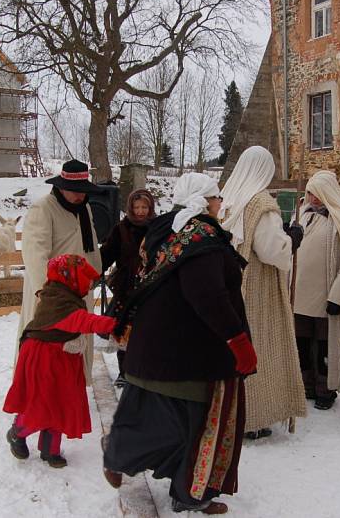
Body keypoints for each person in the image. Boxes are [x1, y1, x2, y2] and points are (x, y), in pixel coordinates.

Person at [104, 173, 254, 515]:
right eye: (216, 198)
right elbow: (208, 296)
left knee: (163, 418)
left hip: (161, 347)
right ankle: (172, 483)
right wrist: (237, 339)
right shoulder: (200, 239)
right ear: (203, 201)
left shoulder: (172, 230)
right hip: (188, 351)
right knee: (190, 426)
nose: (220, 203)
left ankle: (133, 462)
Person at [219, 145, 307, 440]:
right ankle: (253, 417)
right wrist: (292, 238)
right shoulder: (261, 202)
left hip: (230, 282)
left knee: (235, 348)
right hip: (257, 287)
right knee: (259, 346)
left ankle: (231, 412)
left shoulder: (228, 199)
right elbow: (272, 250)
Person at [4, 254, 116, 467]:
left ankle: (49, 450)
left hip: (63, 359)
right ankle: (18, 432)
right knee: (43, 403)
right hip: (44, 360)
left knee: (60, 402)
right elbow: (80, 321)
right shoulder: (58, 302)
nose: (88, 285)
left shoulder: (65, 295)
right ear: (71, 278)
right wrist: (112, 324)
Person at [17, 159, 102, 377]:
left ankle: (71, 389)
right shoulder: (43, 208)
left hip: (79, 289)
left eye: (82, 190)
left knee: (76, 343)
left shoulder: (85, 209)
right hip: (50, 292)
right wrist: (43, 292)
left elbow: (90, 245)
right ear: (61, 186)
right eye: (73, 190)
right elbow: (34, 252)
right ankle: (34, 394)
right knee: (45, 345)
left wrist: (95, 274)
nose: (78, 195)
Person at [292, 171, 340, 410]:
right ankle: (305, 384)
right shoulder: (301, 215)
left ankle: (325, 389)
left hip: (325, 295)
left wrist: (339, 294)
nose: (312, 198)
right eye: (309, 192)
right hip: (299, 293)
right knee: (301, 342)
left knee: (324, 345)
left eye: (316, 193)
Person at [99, 189, 156, 386]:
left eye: (144, 207)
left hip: (151, 286)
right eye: (137, 207)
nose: (140, 211)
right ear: (130, 208)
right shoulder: (121, 229)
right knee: (124, 330)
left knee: (147, 329)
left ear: (151, 208)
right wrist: (92, 271)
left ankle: (145, 371)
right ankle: (124, 371)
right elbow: (106, 254)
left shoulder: (158, 228)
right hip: (126, 287)